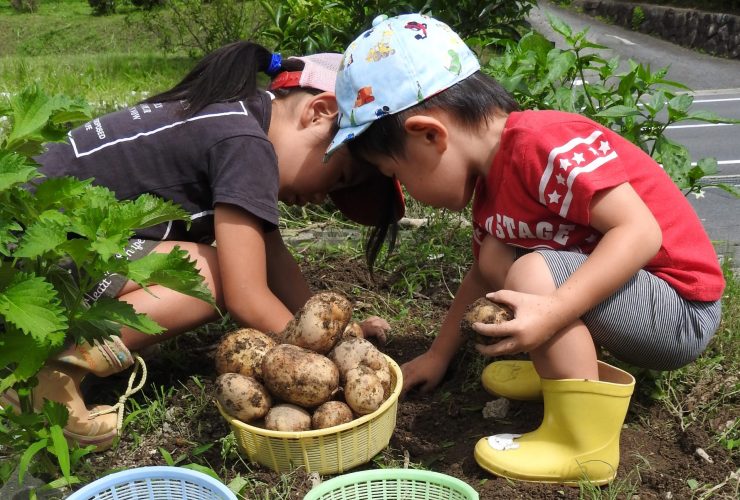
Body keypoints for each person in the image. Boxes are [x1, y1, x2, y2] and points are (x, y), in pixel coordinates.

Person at [325, 14, 725, 485]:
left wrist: (553, 312)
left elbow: (640, 233)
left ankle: (583, 445)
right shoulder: (492, 189)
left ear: (430, 135)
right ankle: (563, 375)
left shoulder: (541, 143)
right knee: (497, 260)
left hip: (680, 309)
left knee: (533, 271)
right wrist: (438, 354)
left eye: (397, 173)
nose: (405, 189)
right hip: (637, 302)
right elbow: (481, 275)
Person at [0, 41, 405, 451]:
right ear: (319, 112)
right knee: (206, 275)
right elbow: (247, 296)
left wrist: (342, 335)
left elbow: (274, 259)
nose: (324, 198)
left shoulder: (235, 116)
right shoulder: (246, 144)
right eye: (338, 180)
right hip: (31, 253)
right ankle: (47, 373)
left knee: (214, 266)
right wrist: (315, 367)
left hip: (33, 250)